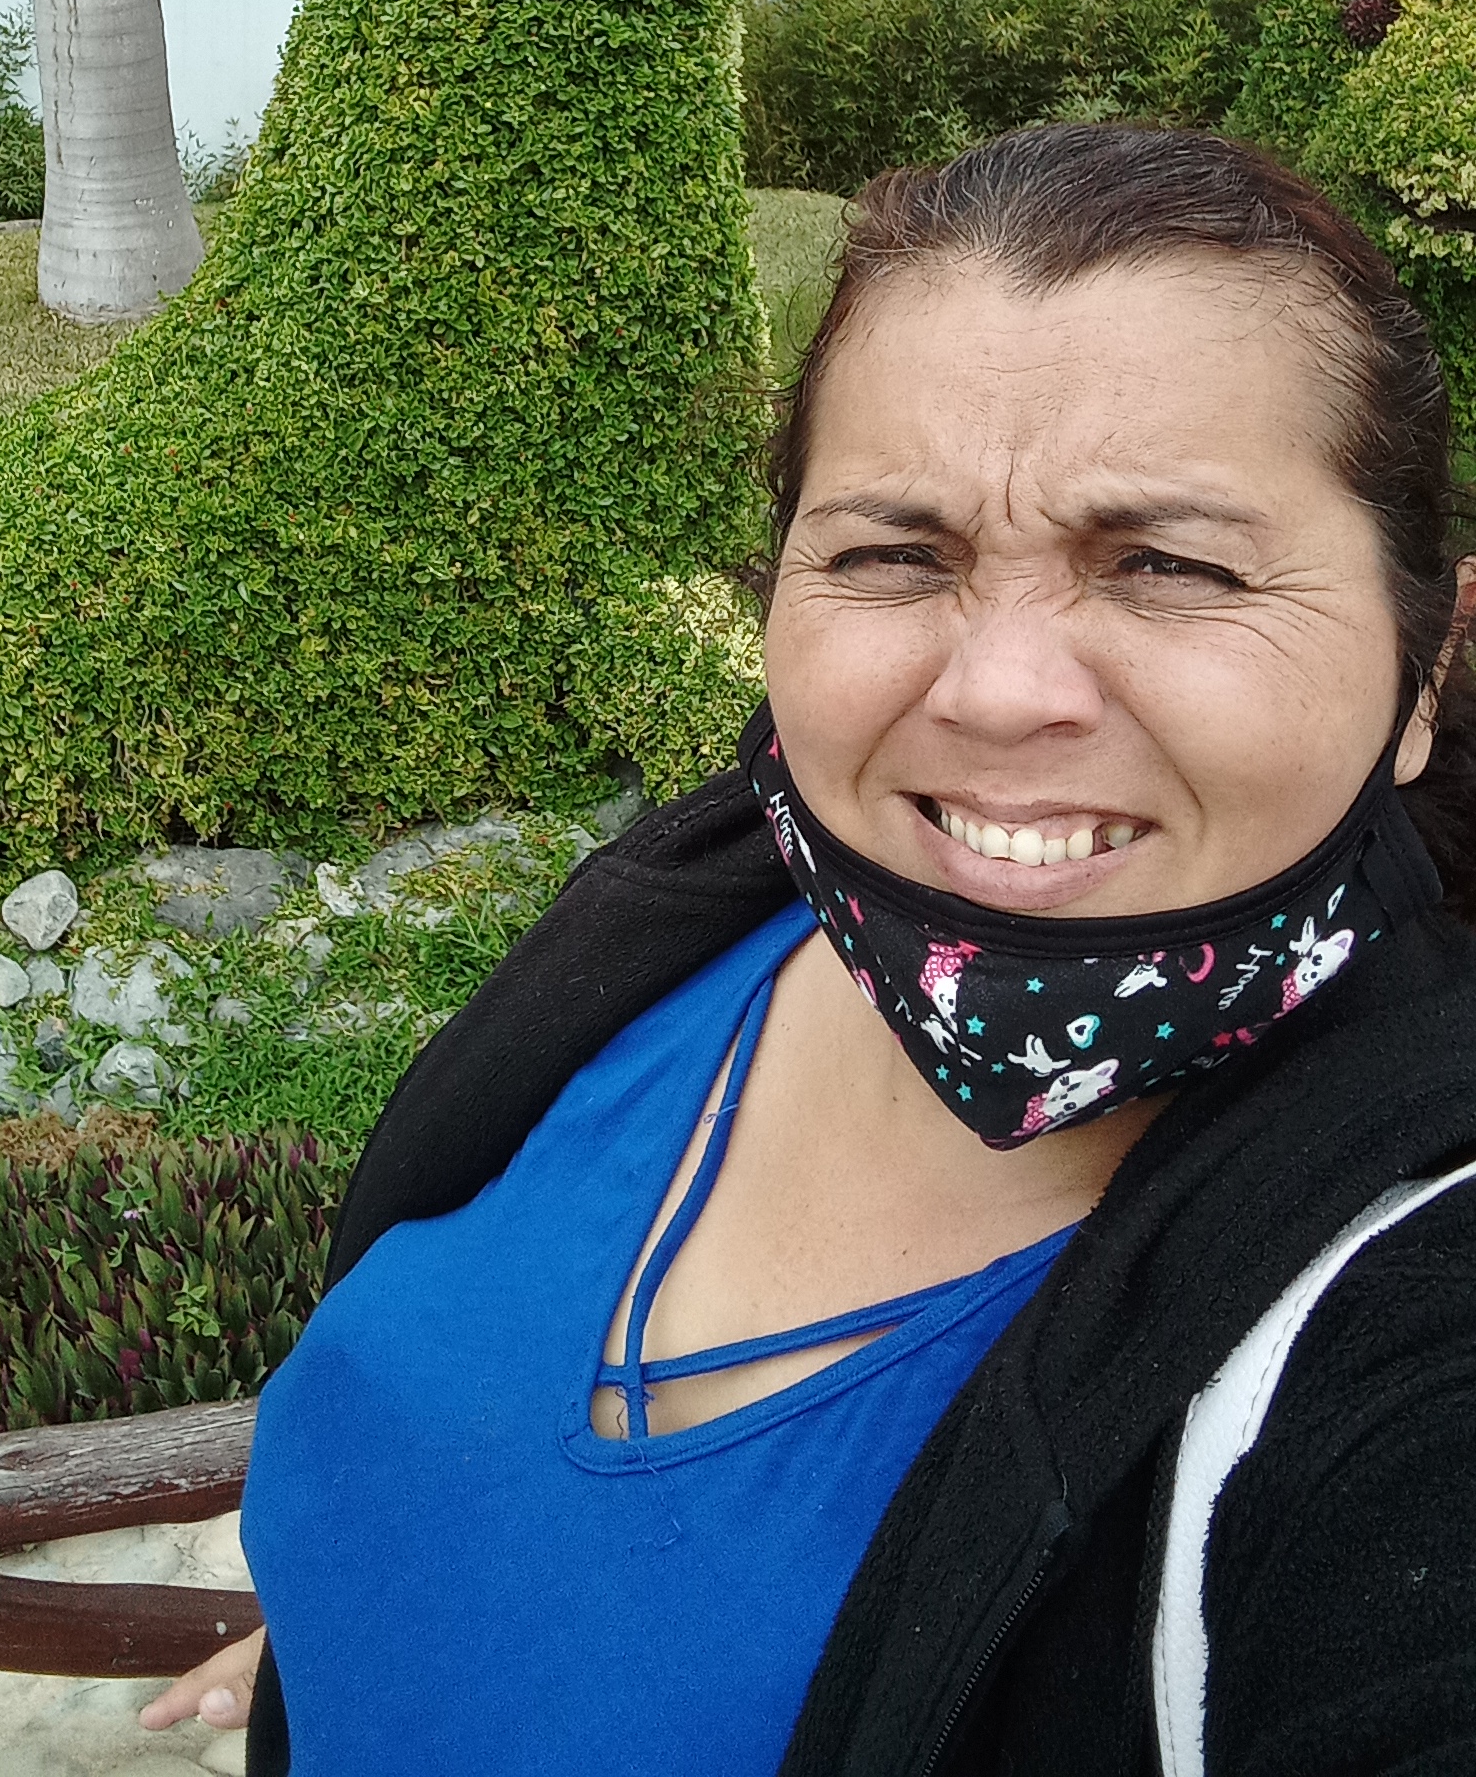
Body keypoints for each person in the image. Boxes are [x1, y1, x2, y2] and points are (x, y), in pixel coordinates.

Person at [142, 123, 1476, 1774]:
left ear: (1424, 668)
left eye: (1169, 566)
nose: (999, 693)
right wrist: (366, 1581)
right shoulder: (712, 904)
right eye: (895, 556)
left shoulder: (1411, 1323)